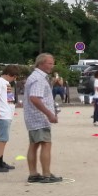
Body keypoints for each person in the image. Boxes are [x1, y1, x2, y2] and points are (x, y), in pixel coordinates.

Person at [23, 53, 61, 183]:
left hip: (32, 117)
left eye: (52, 63)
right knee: (46, 144)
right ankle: (46, 174)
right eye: (49, 63)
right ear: (40, 63)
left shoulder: (34, 77)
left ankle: (33, 174)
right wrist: (49, 114)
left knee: (33, 145)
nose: (52, 66)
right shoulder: (39, 78)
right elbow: (34, 98)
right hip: (39, 118)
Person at [0, 64, 19, 173]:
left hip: (7, 115)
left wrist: (14, 105)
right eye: (14, 76)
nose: (14, 79)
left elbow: (9, 100)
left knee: (4, 139)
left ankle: (0, 160)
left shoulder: (6, 83)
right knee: (3, 139)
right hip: (2, 115)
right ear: (10, 74)